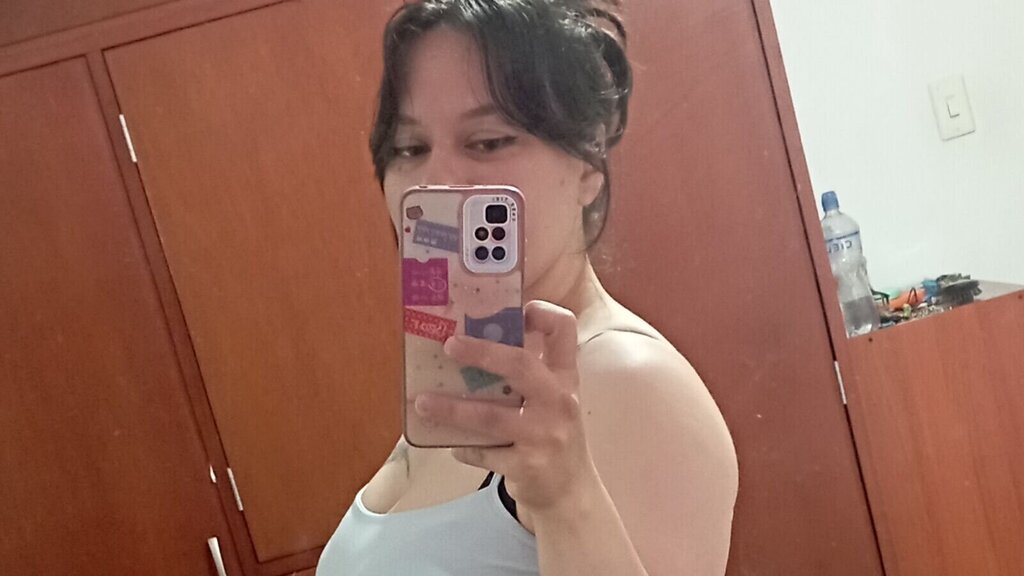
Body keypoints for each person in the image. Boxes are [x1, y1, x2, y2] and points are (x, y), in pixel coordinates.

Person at [318, 1, 738, 574]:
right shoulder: (465, 378)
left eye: (488, 141)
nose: (437, 181)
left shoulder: (630, 383)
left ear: (587, 165)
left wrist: (566, 500)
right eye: (410, 148)